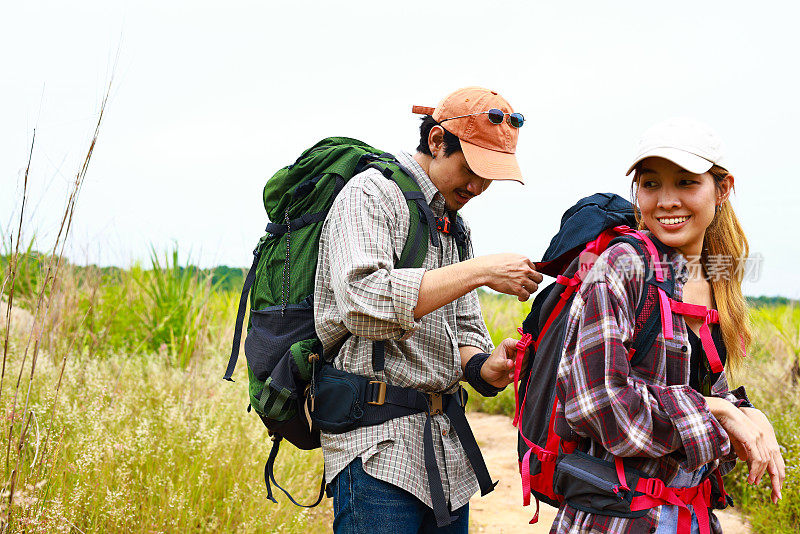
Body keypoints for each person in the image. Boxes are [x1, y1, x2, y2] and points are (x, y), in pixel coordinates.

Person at [313, 86, 543, 533]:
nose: (478, 186)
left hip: (445, 450)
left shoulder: (455, 225)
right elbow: (362, 301)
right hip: (376, 452)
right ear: (437, 142)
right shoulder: (370, 195)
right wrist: (478, 271)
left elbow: (465, 325)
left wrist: (482, 366)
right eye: (471, 168)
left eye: (490, 175)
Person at [551, 117, 785, 533]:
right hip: (618, 518)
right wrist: (719, 413)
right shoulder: (622, 266)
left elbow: (700, 387)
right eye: (651, 183)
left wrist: (751, 416)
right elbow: (599, 403)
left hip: (687, 515)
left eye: (686, 183)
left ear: (723, 189)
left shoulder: (710, 278)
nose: (666, 201)